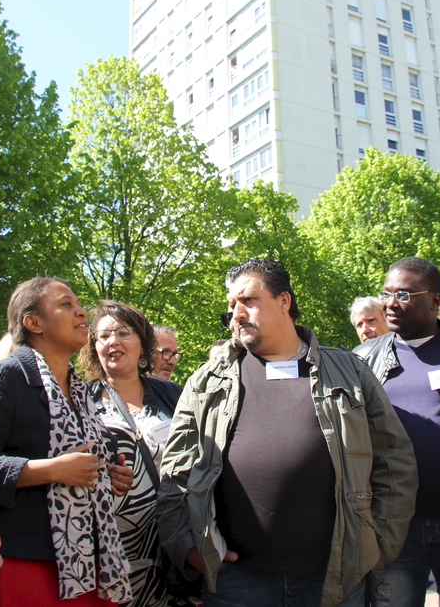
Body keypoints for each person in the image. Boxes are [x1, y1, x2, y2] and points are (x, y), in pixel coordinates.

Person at [156, 257, 417, 607]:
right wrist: (188, 547)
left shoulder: (349, 371)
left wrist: (374, 548)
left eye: (248, 300)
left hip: (333, 581)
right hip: (237, 583)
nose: (236, 313)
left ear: (284, 301)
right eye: (232, 304)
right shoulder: (206, 381)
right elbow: (175, 472)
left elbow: (395, 463)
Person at [0, 277, 134, 606]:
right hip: (23, 566)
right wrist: (49, 470)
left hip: (90, 565)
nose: (82, 313)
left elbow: (81, 464)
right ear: (33, 322)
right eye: (67, 305)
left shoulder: (82, 392)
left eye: (79, 306)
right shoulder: (6, 377)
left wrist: (108, 475)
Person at [354, 258, 440, 607]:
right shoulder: (363, 359)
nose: (390, 302)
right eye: (385, 293)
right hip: (395, 526)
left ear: (434, 299)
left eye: (403, 293)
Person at [80, 302, 184, 607]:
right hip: (108, 551)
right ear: (94, 346)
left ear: (143, 345)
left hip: (173, 542)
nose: (113, 341)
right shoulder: (79, 401)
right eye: (103, 336)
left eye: (123, 333)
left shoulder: (173, 396)